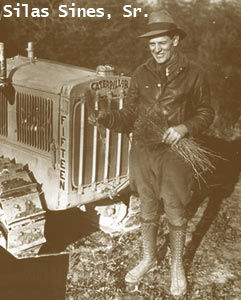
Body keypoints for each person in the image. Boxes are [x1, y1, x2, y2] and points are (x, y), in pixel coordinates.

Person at [88, 10, 215, 297]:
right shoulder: (140, 73)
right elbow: (131, 114)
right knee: (146, 205)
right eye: (151, 44)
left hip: (175, 152)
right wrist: (107, 118)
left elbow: (206, 112)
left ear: (174, 41)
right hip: (143, 150)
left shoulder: (194, 74)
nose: (156, 49)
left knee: (175, 207)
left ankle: (177, 265)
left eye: (162, 42)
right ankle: (148, 257)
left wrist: (184, 127)